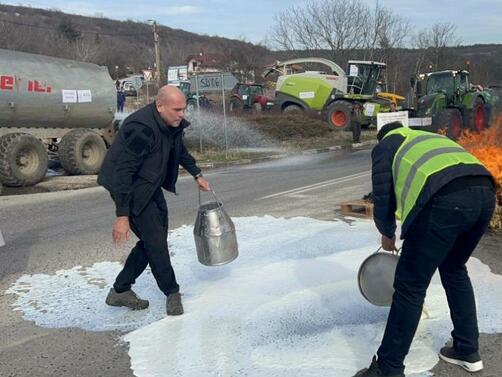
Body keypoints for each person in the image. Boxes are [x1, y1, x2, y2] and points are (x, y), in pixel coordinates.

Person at [354, 122, 495, 377]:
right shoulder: (425, 138)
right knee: (454, 269)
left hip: (443, 200)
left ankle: (388, 368)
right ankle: (467, 349)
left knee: (410, 286)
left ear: (382, 137)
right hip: (485, 193)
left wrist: (387, 233)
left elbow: (383, 196)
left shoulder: (385, 146)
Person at [98, 85, 210, 316]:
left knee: (153, 240)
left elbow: (179, 151)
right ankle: (172, 292)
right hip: (128, 187)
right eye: (177, 109)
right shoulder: (140, 129)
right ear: (160, 106)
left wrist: (197, 174)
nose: (182, 114)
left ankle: (120, 290)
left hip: (149, 185)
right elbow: (123, 173)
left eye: (184, 109)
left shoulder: (171, 124)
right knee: (156, 243)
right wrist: (122, 215)